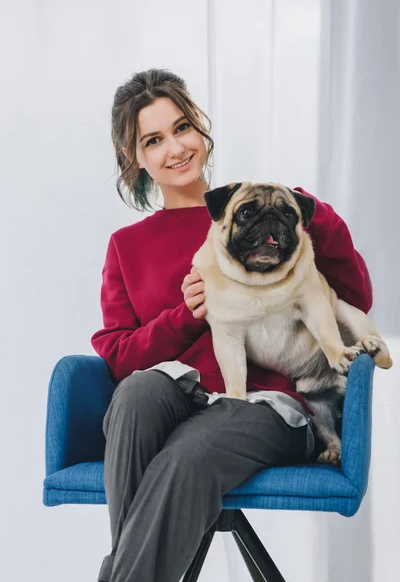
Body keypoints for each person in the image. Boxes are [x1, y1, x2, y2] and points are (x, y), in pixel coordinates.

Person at [91, 68, 373, 582]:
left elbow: (352, 300)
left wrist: (315, 214)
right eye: (153, 140)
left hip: (264, 407)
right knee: (134, 395)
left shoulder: (257, 208)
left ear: (200, 126)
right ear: (135, 158)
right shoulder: (126, 247)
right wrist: (184, 316)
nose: (175, 148)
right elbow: (118, 358)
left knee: (186, 455)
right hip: (173, 398)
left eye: (181, 128)